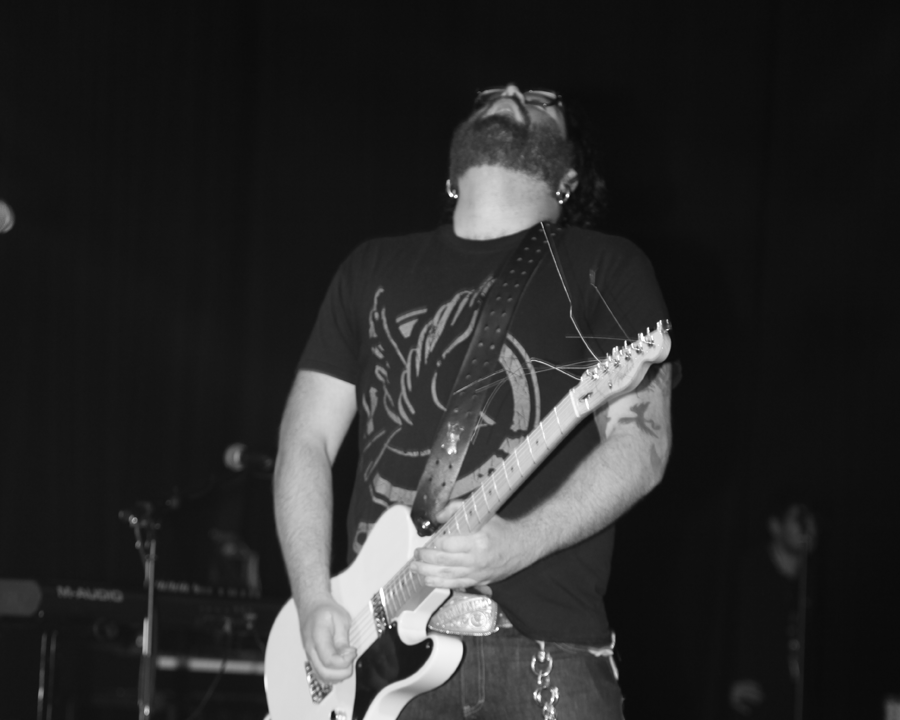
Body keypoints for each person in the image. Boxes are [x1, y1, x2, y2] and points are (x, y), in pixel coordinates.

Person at [272, 83, 674, 719]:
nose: (512, 92)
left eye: (542, 99)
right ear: (451, 172)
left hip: (543, 652)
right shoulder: (371, 268)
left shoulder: (607, 265)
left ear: (568, 178)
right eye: (495, 92)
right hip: (378, 653)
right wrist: (314, 598)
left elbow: (643, 444)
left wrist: (520, 543)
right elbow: (306, 440)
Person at [726, 498, 818, 719]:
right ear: (775, 526)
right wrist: (728, 682)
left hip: (795, 700)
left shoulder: (815, 582)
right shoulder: (748, 574)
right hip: (754, 699)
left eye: (811, 519)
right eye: (798, 519)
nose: (808, 526)